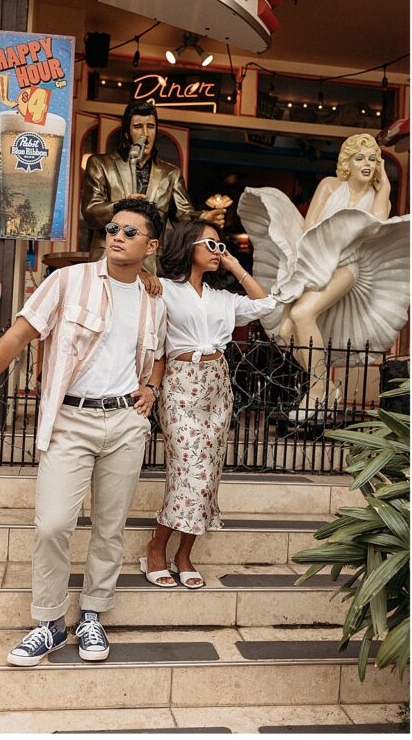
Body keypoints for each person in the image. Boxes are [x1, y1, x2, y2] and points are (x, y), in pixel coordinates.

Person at [0, 197, 168, 666]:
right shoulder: (67, 281)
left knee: (109, 529)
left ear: (151, 245)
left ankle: (93, 614)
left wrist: (152, 388)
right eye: (113, 228)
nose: (116, 236)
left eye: (129, 232)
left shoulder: (153, 298)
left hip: (124, 422)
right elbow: (18, 336)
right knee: (55, 523)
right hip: (71, 420)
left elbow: (158, 354)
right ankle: (50, 623)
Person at [137, 220, 273, 588]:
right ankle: (156, 547)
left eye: (221, 246)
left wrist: (234, 266)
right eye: (211, 245)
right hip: (181, 385)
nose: (219, 251)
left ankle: (184, 555)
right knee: (188, 472)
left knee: (208, 475)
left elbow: (265, 304)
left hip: (217, 385)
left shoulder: (221, 298)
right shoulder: (162, 289)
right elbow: (131, 289)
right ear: (188, 246)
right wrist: (146, 275)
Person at [238, 133, 411, 422]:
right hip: (317, 263)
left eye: (372, 159)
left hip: (350, 267)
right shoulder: (330, 186)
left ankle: (317, 390)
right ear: (348, 163)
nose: (366, 164)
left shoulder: (377, 197)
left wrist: (386, 187)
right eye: (359, 158)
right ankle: (326, 385)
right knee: (285, 331)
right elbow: (309, 227)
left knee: (304, 313)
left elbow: (376, 227)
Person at [81, 100, 225, 272]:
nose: (145, 134)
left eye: (150, 126)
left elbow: (183, 216)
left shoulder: (170, 173)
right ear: (127, 132)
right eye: (137, 127)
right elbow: (90, 213)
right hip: (108, 260)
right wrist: (121, 206)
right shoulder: (101, 164)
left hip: (150, 264)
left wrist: (204, 217)